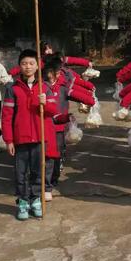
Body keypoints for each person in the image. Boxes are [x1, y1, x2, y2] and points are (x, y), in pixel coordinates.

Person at [1, 49, 60, 221]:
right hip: (20, 139)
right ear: (19, 66)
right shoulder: (13, 89)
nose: (28, 67)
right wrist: (9, 140)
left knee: (37, 172)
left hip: (39, 138)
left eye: (31, 63)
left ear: (37, 66)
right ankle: (22, 201)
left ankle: (35, 200)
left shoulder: (45, 88)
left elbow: (52, 111)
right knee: (20, 173)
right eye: (24, 63)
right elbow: (7, 116)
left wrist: (44, 103)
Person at [43, 58, 95, 199]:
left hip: (60, 127)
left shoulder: (63, 88)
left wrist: (90, 99)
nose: (54, 74)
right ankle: (45, 185)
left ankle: (53, 179)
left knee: (56, 155)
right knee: (45, 157)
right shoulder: (40, 87)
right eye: (50, 72)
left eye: (56, 72)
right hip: (44, 127)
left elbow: (78, 94)